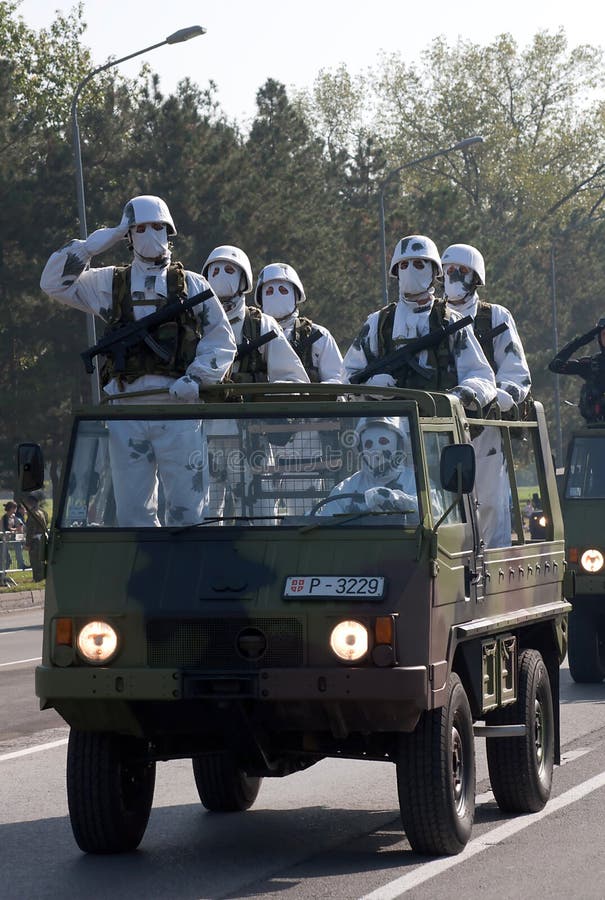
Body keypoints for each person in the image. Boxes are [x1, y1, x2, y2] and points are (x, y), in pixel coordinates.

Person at [40, 195, 237, 527]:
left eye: (157, 227)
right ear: (129, 236)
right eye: (140, 228)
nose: (150, 234)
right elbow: (52, 283)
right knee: (132, 513)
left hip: (179, 407)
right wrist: (90, 247)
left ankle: (189, 562)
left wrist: (197, 378)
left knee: (189, 512)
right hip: (127, 409)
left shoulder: (192, 284)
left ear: (169, 232)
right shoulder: (110, 282)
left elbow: (221, 340)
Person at [201, 246, 309, 517]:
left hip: (251, 438)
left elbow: (294, 379)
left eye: (229, 270)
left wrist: (266, 395)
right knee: (203, 517)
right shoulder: (193, 322)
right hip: (201, 436)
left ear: (243, 280)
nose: (220, 276)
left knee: (260, 515)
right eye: (215, 271)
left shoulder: (261, 325)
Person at [441, 242, 532, 548]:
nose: (453, 275)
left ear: (476, 276)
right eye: (447, 270)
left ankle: (493, 562)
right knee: (445, 503)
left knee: (490, 500)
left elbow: (516, 370)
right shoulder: (433, 317)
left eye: (461, 270)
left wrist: (504, 395)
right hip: (441, 424)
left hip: (485, 424)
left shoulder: (494, 317)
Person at [343, 234, 496, 414]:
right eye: (403, 265)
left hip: (440, 423)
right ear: (397, 273)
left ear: (433, 272)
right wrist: (371, 386)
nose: (410, 271)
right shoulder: (378, 323)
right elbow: (347, 377)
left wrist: (463, 393)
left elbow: (482, 377)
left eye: (418, 265)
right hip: (387, 422)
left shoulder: (450, 321)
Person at [254, 262, 345, 383]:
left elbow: (338, 380)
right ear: (261, 299)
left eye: (283, 290)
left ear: (295, 296)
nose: (276, 296)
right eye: (269, 292)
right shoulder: (250, 335)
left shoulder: (318, 336)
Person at [315, 416, 419, 518]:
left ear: (399, 445)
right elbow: (326, 521)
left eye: (383, 441)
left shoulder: (417, 482)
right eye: (369, 444)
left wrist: (397, 500)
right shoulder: (345, 490)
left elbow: (427, 512)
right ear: (361, 450)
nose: (376, 451)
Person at [548, 317, 605, 422]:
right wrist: (583, 339)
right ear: (600, 338)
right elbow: (555, 366)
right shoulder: (592, 364)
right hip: (595, 428)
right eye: (604, 334)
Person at [24, 493, 48, 582]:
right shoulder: (41, 512)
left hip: (35, 540)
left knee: (35, 560)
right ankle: (41, 576)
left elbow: (31, 530)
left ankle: (37, 578)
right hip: (41, 538)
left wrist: (27, 543)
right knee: (40, 559)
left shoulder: (32, 513)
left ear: (30, 503)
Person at [1, 501, 26, 571]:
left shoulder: (14, 516)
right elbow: (7, 528)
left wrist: (21, 538)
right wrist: (16, 529)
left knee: (19, 547)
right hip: (3, 540)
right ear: (11, 508)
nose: (16, 509)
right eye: (15, 508)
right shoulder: (4, 518)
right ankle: (2, 574)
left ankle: (21, 565)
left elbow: (20, 526)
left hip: (11, 538)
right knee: (7, 560)